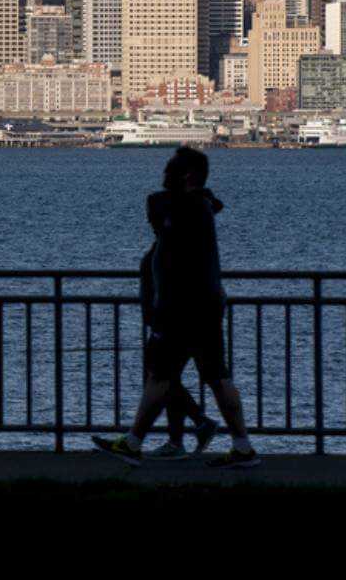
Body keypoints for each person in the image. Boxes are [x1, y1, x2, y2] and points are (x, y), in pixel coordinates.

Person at [93, 146, 259, 469]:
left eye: (171, 168)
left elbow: (160, 210)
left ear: (186, 176)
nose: (165, 174)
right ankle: (241, 446)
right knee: (213, 377)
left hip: (182, 309)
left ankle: (134, 442)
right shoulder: (200, 206)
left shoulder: (186, 209)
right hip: (203, 307)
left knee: (160, 377)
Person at [137, 239, 218, 459]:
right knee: (167, 378)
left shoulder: (174, 246)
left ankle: (194, 426)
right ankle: (178, 439)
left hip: (169, 324)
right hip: (167, 322)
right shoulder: (168, 244)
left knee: (160, 377)